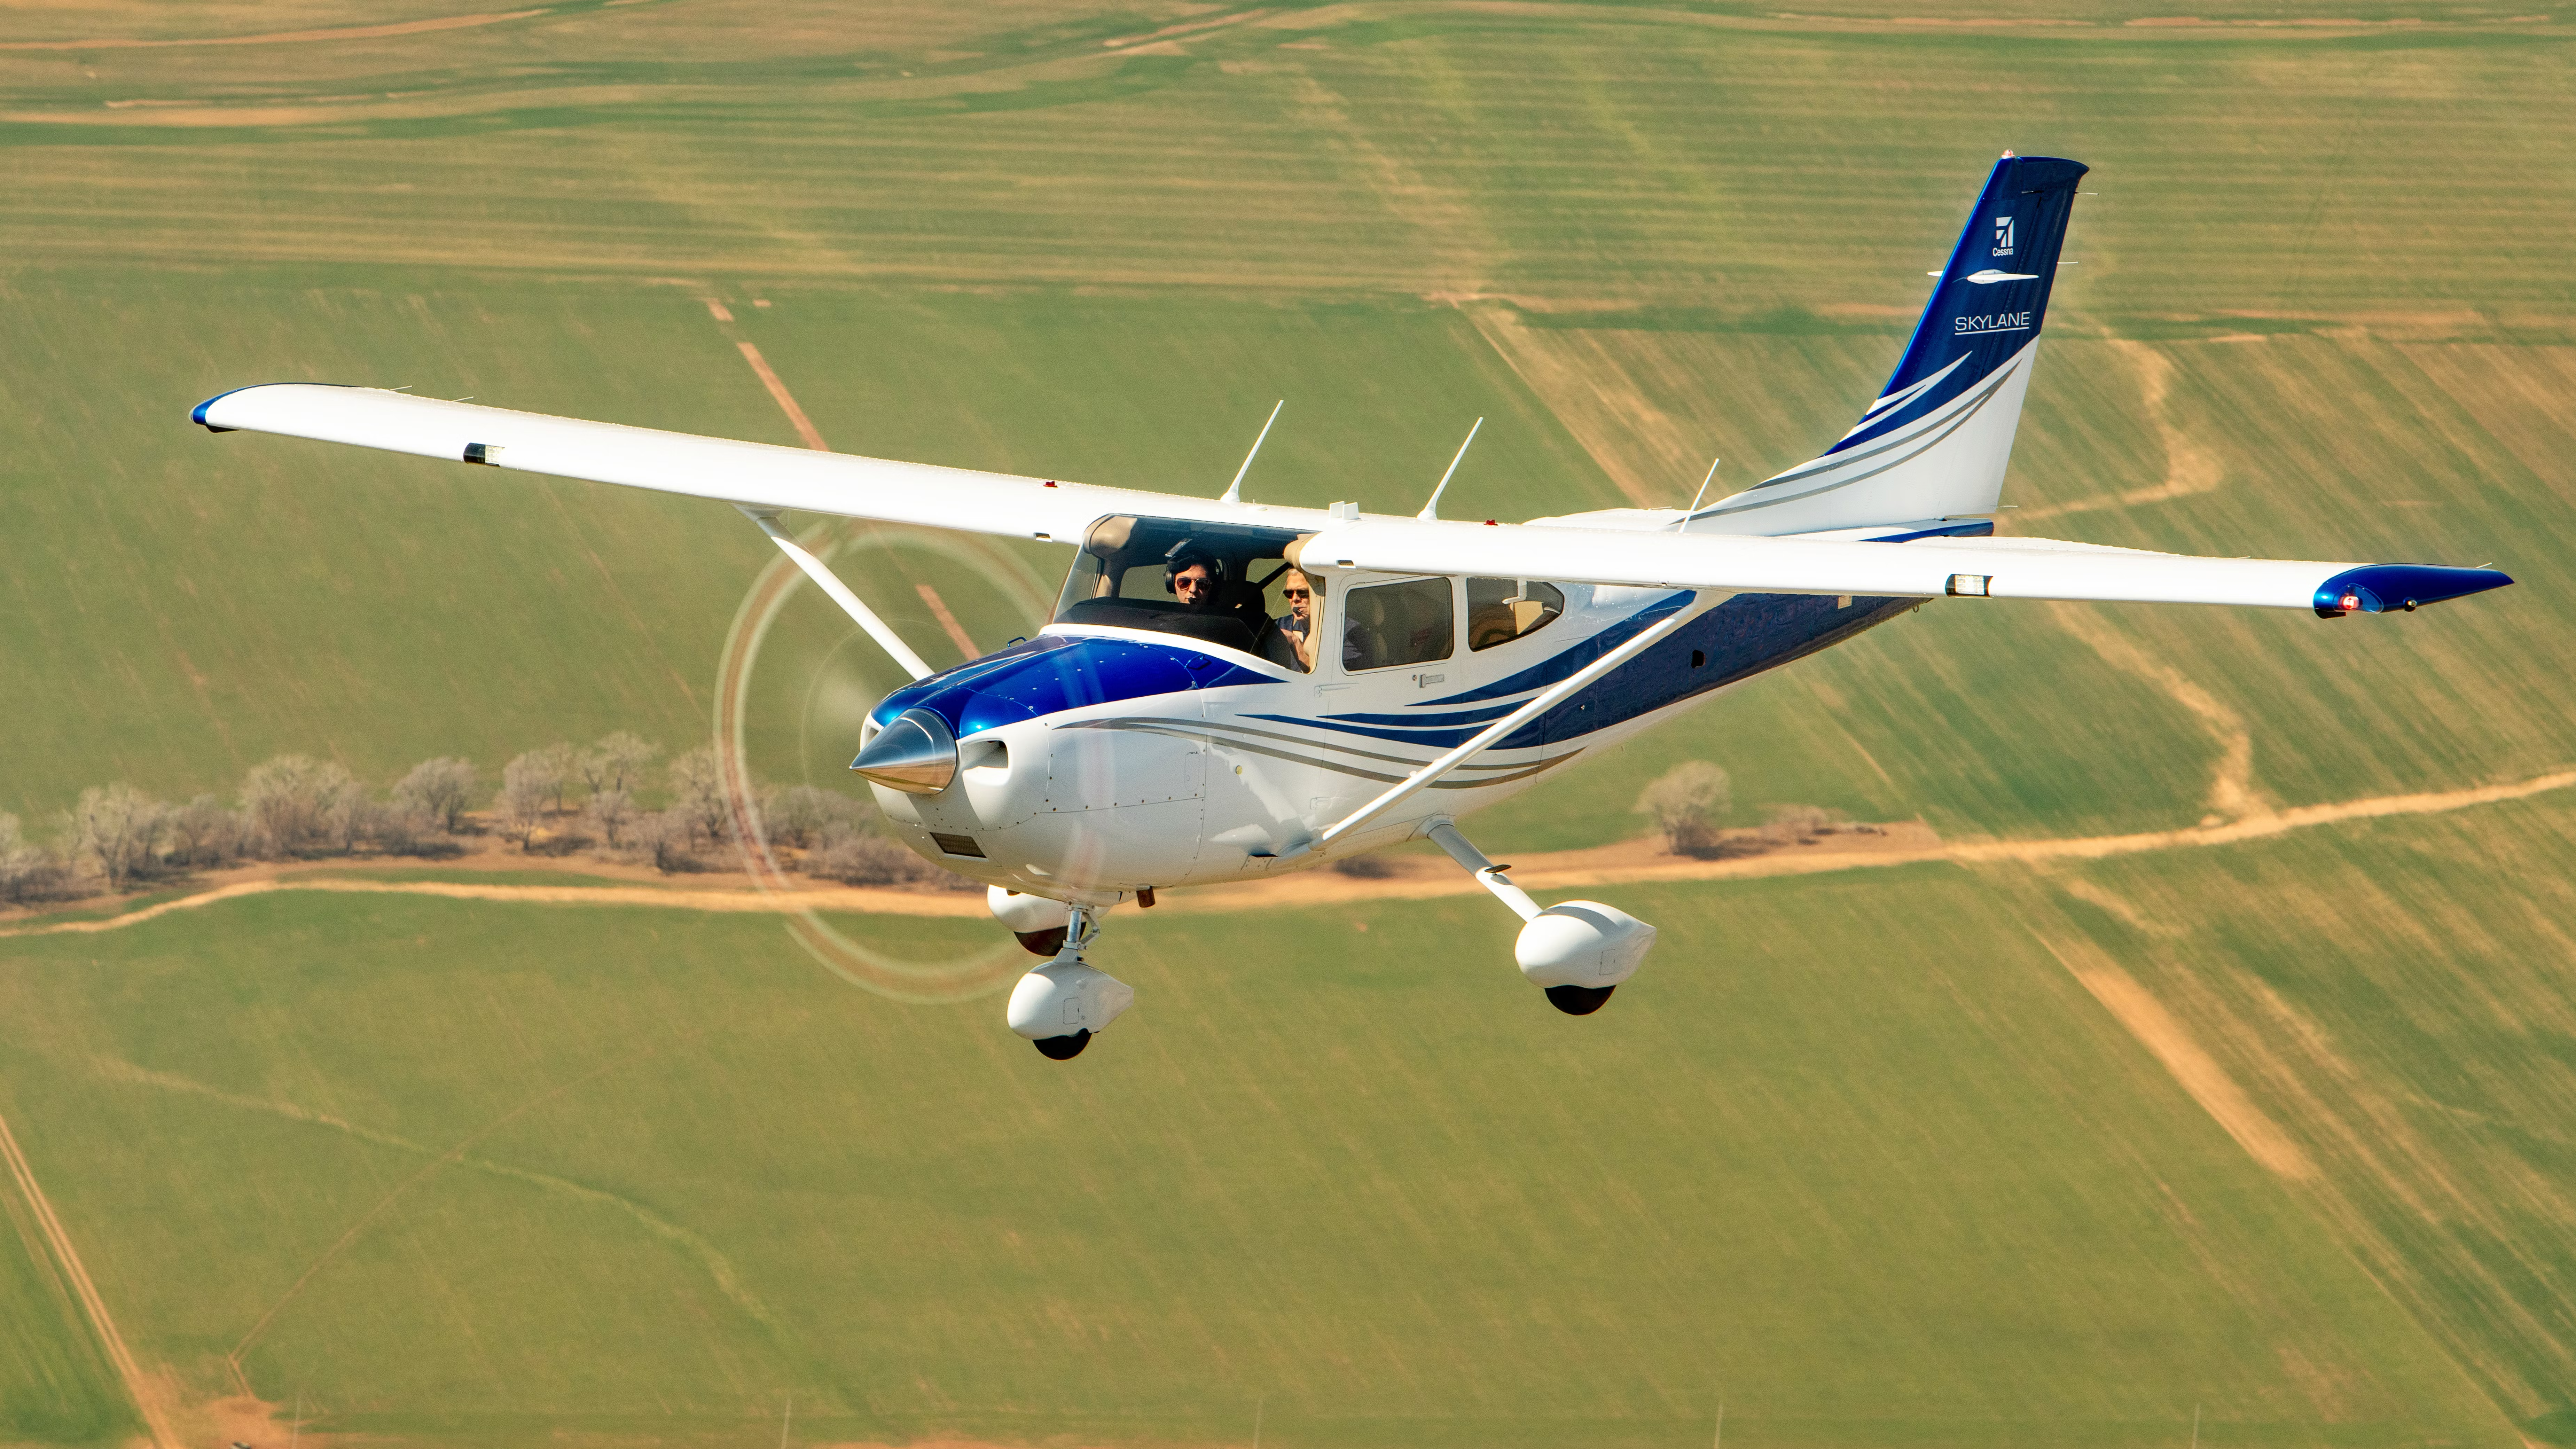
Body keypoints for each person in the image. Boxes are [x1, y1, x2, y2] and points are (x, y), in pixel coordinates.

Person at [1274, 567, 1321, 672]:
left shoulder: (1344, 632)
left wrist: (1295, 642)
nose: (1295, 599)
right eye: (1290, 594)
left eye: (1303, 593)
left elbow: (1325, 677)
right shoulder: (1279, 626)